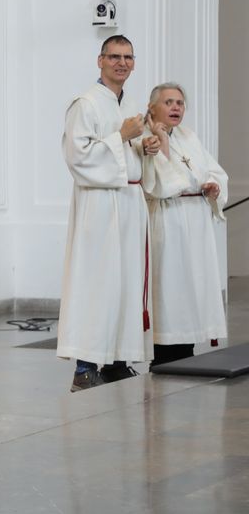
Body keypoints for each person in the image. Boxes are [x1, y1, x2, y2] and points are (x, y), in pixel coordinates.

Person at [57, 35, 159, 391]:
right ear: (99, 60)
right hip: (99, 205)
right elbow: (77, 157)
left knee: (126, 283)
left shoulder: (129, 102)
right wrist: (121, 136)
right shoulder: (85, 104)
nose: (122, 63)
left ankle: (117, 361)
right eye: (114, 57)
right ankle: (85, 367)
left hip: (129, 202)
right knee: (97, 283)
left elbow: (127, 152)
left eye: (128, 57)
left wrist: (144, 146)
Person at [141, 82, 228, 366]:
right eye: (168, 102)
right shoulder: (146, 136)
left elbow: (213, 169)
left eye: (179, 102)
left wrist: (213, 186)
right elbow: (163, 184)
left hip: (195, 218)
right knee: (170, 286)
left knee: (192, 286)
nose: (176, 107)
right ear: (152, 107)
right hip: (168, 219)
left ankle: (186, 350)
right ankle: (165, 353)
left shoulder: (189, 136)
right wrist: (162, 142)